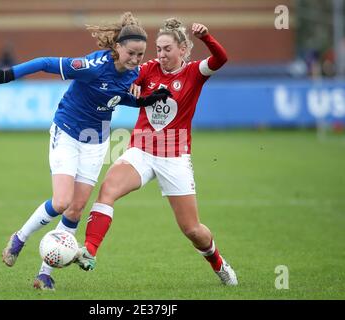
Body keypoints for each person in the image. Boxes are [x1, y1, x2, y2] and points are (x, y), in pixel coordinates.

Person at [0, 12, 171, 290]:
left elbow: (114, 97)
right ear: (117, 47)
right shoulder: (91, 66)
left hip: (96, 141)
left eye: (141, 54)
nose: (136, 60)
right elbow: (46, 62)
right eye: (131, 53)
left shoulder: (135, 72)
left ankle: (44, 275)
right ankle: (20, 238)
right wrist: (8, 75)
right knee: (61, 202)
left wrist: (143, 101)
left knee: (76, 209)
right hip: (67, 132)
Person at [76, 18, 238, 286]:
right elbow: (126, 78)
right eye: (158, 49)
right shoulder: (148, 69)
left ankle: (218, 263)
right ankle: (89, 251)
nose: (161, 55)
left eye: (167, 49)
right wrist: (130, 85)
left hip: (174, 157)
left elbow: (221, 59)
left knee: (192, 230)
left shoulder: (195, 73)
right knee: (108, 190)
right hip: (141, 150)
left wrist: (207, 38)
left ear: (183, 49)